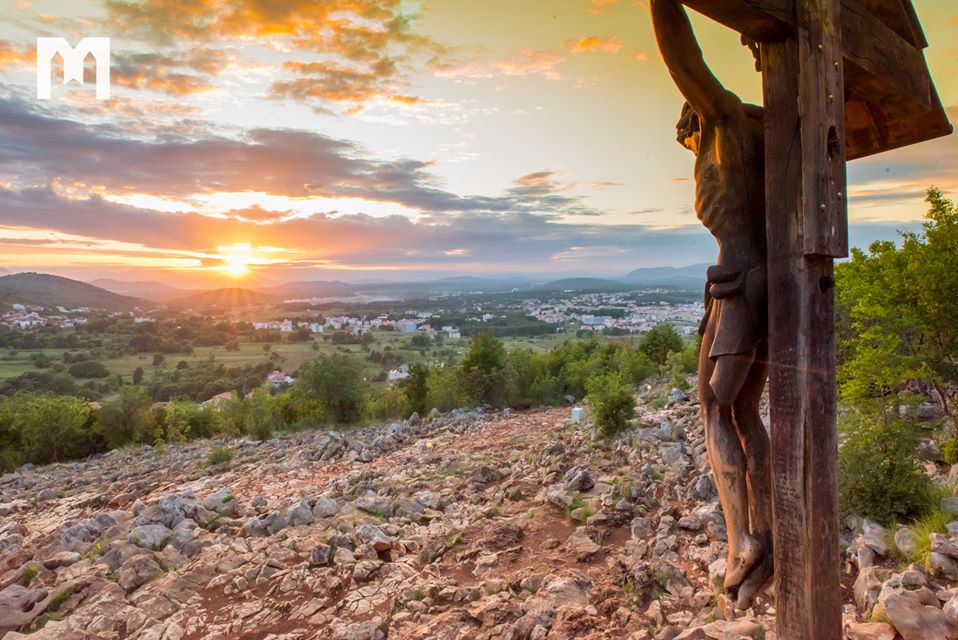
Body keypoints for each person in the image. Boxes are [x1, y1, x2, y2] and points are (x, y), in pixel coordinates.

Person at [650, 0, 773, 609]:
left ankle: (742, 541)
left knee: (713, 409)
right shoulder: (767, 139)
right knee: (744, 409)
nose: (687, 145)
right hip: (759, 281)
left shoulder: (724, 124)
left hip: (738, 280)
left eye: (686, 133)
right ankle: (763, 532)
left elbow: (684, 57)